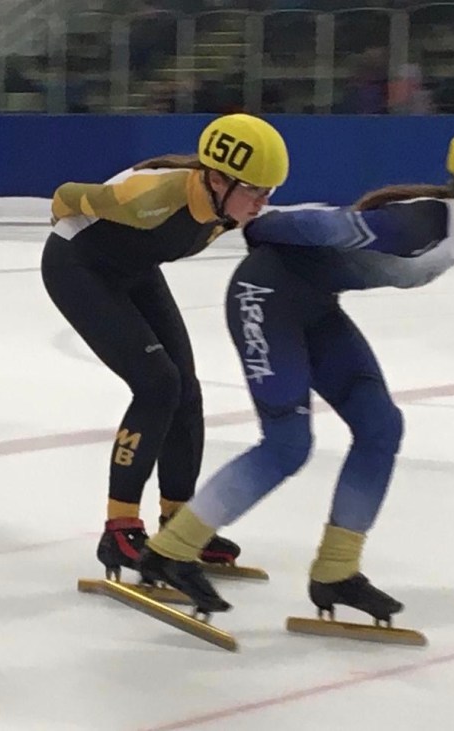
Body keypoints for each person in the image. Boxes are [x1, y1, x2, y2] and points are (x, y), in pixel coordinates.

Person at [140, 121, 454, 620]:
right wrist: (261, 227)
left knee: (381, 427)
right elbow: (328, 225)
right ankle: (170, 551)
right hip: (264, 297)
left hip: (312, 306)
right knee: (287, 445)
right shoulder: (424, 224)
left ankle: (337, 570)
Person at [41, 113, 290, 577]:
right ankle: (120, 529)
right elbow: (66, 195)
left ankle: (179, 523)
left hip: (134, 268)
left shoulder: (228, 209)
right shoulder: (154, 196)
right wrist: (69, 221)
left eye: (269, 191)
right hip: (78, 267)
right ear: (217, 179)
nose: (262, 202)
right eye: (254, 190)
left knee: (186, 391)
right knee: (157, 385)